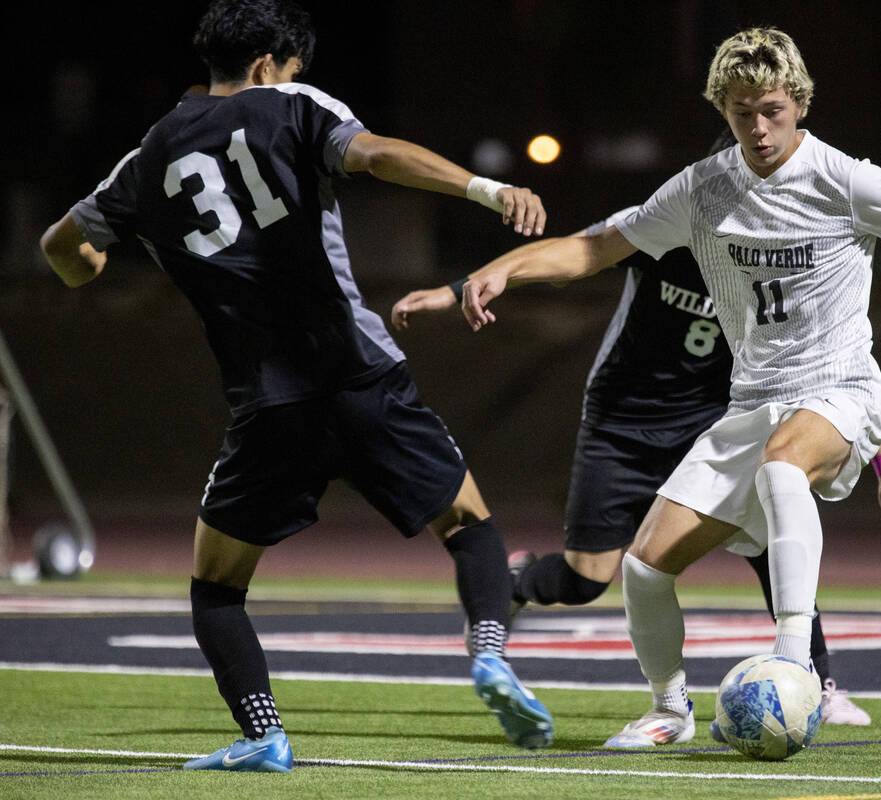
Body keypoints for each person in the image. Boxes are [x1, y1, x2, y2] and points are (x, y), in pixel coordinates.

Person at [451, 26, 881, 748]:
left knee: (784, 469)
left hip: (838, 388)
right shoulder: (702, 188)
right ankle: (669, 711)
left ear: (801, 104)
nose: (758, 126)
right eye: (743, 110)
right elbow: (596, 247)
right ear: (723, 108)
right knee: (643, 567)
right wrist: (505, 268)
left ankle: (796, 669)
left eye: (773, 109)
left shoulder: (846, 180)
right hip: (750, 403)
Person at [39, 0, 553, 771]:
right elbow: (375, 156)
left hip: (267, 402)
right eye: (290, 67)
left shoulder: (148, 155)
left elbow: (62, 245)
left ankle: (263, 734)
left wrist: (87, 266)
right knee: (471, 526)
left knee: (216, 588)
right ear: (265, 65)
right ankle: (486, 654)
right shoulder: (291, 106)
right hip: (358, 373)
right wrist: (483, 190)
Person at [393, 202, 881, 730]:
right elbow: (573, 249)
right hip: (623, 423)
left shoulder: (781, 251)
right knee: (587, 578)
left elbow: (840, 374)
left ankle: (817, 684)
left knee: (770, 541)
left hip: (715, 422)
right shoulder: (672, 218)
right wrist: (463, 286)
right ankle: (519, 582)